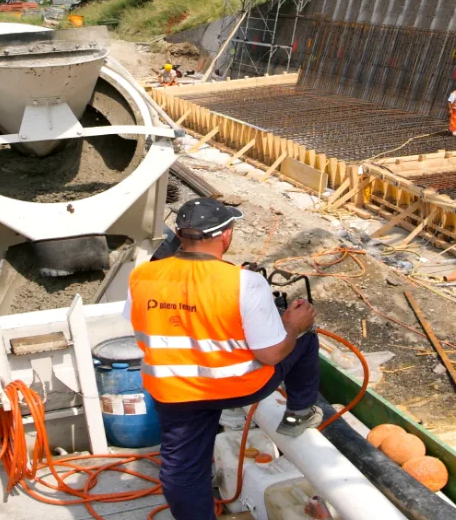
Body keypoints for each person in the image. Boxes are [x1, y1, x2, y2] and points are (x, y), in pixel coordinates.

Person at [126, 198, 321, 520]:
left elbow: (148, 324)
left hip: (174, 388)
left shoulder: (143, 276)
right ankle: (299, 412)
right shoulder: (244, 282)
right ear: (226, 235)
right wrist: (291, 325)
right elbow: (271, 354)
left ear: (180, 234)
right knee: (305, 338)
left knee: (182, 470)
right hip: (238, 385)